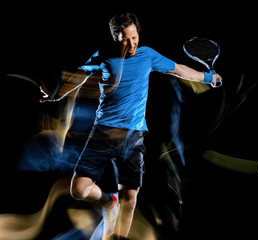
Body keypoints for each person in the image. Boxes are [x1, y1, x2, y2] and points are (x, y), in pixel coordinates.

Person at [40, 12, 222, 240]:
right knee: (79, 190)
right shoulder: (103, 55)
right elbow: (78, 77)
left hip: (133, 136)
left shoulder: (148, 55)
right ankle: (108, 202)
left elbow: (180, 69)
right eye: (125, 39)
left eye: (134, 37)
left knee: (130, 197)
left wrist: (208, 77)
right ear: (115, 38)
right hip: (103, 132)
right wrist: (56, 96)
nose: (131, 43)